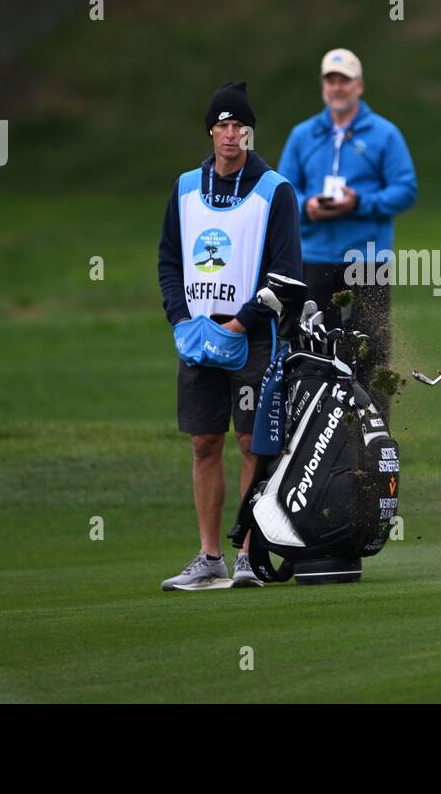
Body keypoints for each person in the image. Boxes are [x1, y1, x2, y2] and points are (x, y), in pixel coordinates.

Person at [157, 80, 302, 591]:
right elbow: (170, 260)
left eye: (240, 125)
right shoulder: (185, 188)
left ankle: (248, 553)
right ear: (211, 131)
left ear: (250, 133)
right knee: (203, 442)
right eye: (222, 124)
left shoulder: (275, 191)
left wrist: (241, 321)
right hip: (198, 334)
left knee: (251, 442)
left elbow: (285, 273)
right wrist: (180, 320)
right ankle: (209, 555)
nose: (230, 133)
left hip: (253, 334)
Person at [277, 49, 417, 415]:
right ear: (323, 85)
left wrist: (360, 202)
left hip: (367, 260)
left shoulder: (384, 134)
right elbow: (283, 191)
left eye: (344, 80)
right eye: (330, 80)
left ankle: (372, 445)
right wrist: (307, 206)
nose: (336, 87)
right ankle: (317, 441)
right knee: (313, 351)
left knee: (369, 351)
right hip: (315, 258)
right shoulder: (303, 135)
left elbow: (405, 189)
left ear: (359, 85)